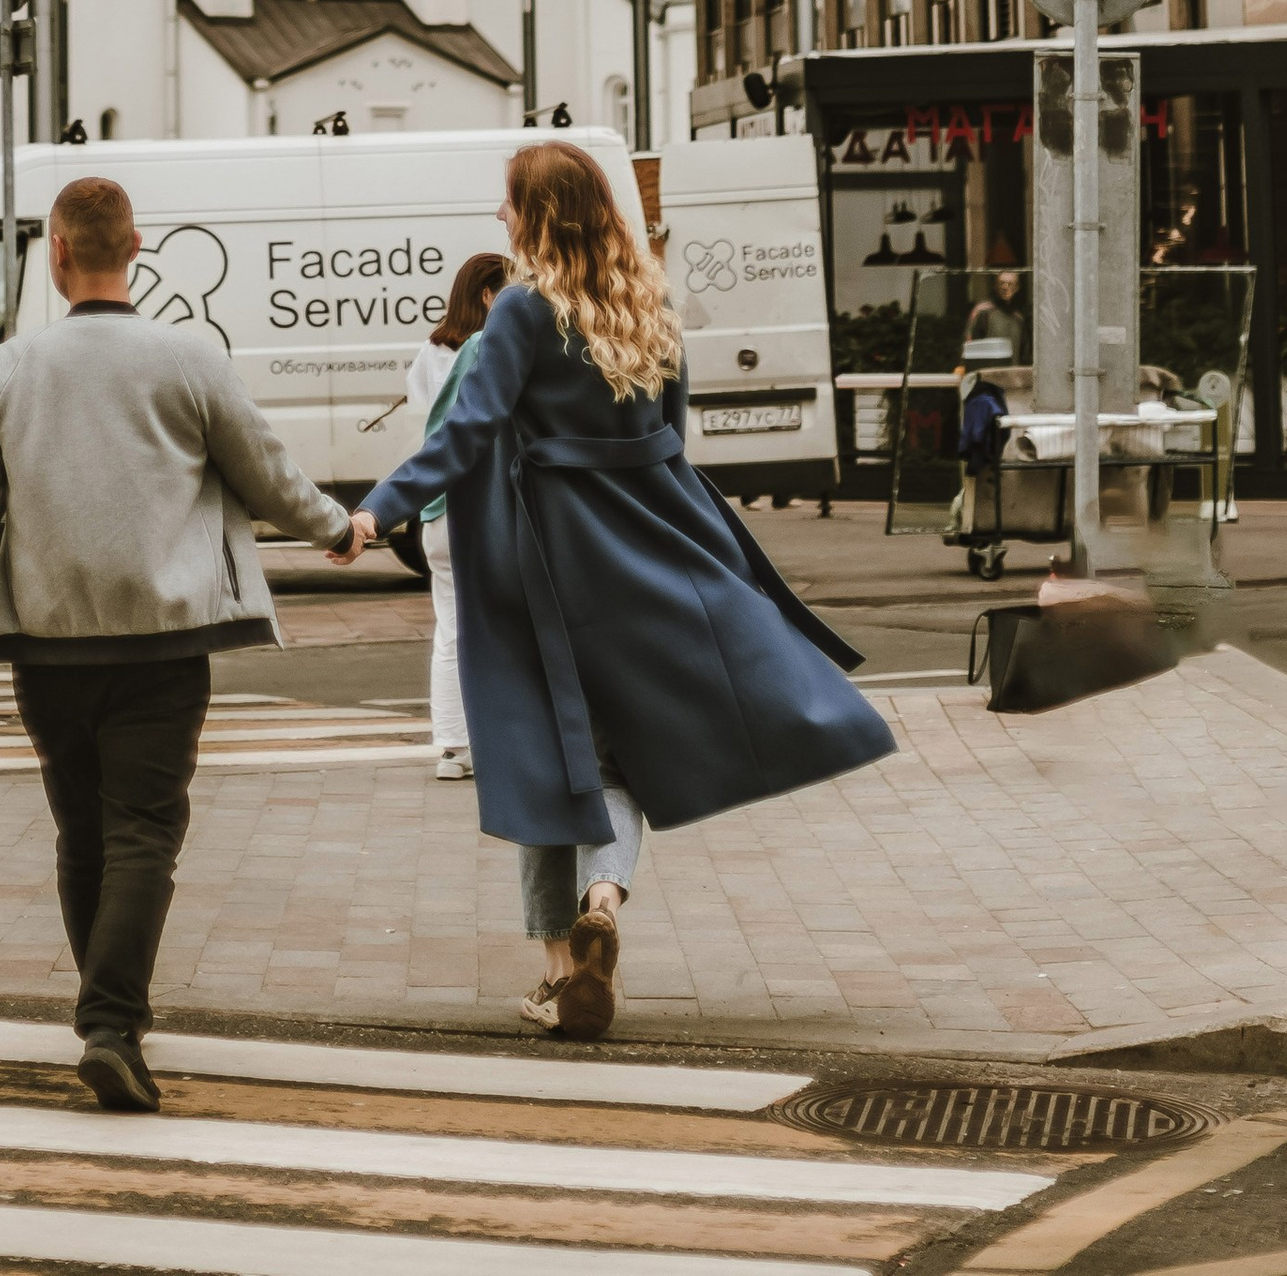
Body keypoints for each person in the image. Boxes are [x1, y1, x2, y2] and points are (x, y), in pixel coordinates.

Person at [334, 137, 894, 1040]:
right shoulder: (649, 302)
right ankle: (604, 898)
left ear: (537, 215)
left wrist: (377, 512)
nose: (499, 215)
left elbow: (464, 433)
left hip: (550, 558)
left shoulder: (522, 311)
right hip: (651, 548)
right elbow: (672, 441)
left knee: (542, 751)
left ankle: (559, 969)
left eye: (509, 202)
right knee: (622, 756)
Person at [0, 173, 349, 1113]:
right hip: (163, 643)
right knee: (144, 830)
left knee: (82, 833)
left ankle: (111, 1018)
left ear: (57, 253)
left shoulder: (7, 371)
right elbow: (267, 474)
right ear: (136, 247)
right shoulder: (187, 359)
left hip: (46, 647)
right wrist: (338, 529)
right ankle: (111, 1025)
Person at [403, 249, 510, 779]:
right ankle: (501, 737)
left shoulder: (429, 352)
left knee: (450, 627)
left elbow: (426, 423)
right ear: (489, 295)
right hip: (482, 505)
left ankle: (452, 747)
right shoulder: (496, 348)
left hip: (436, 505)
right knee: (503, 626)